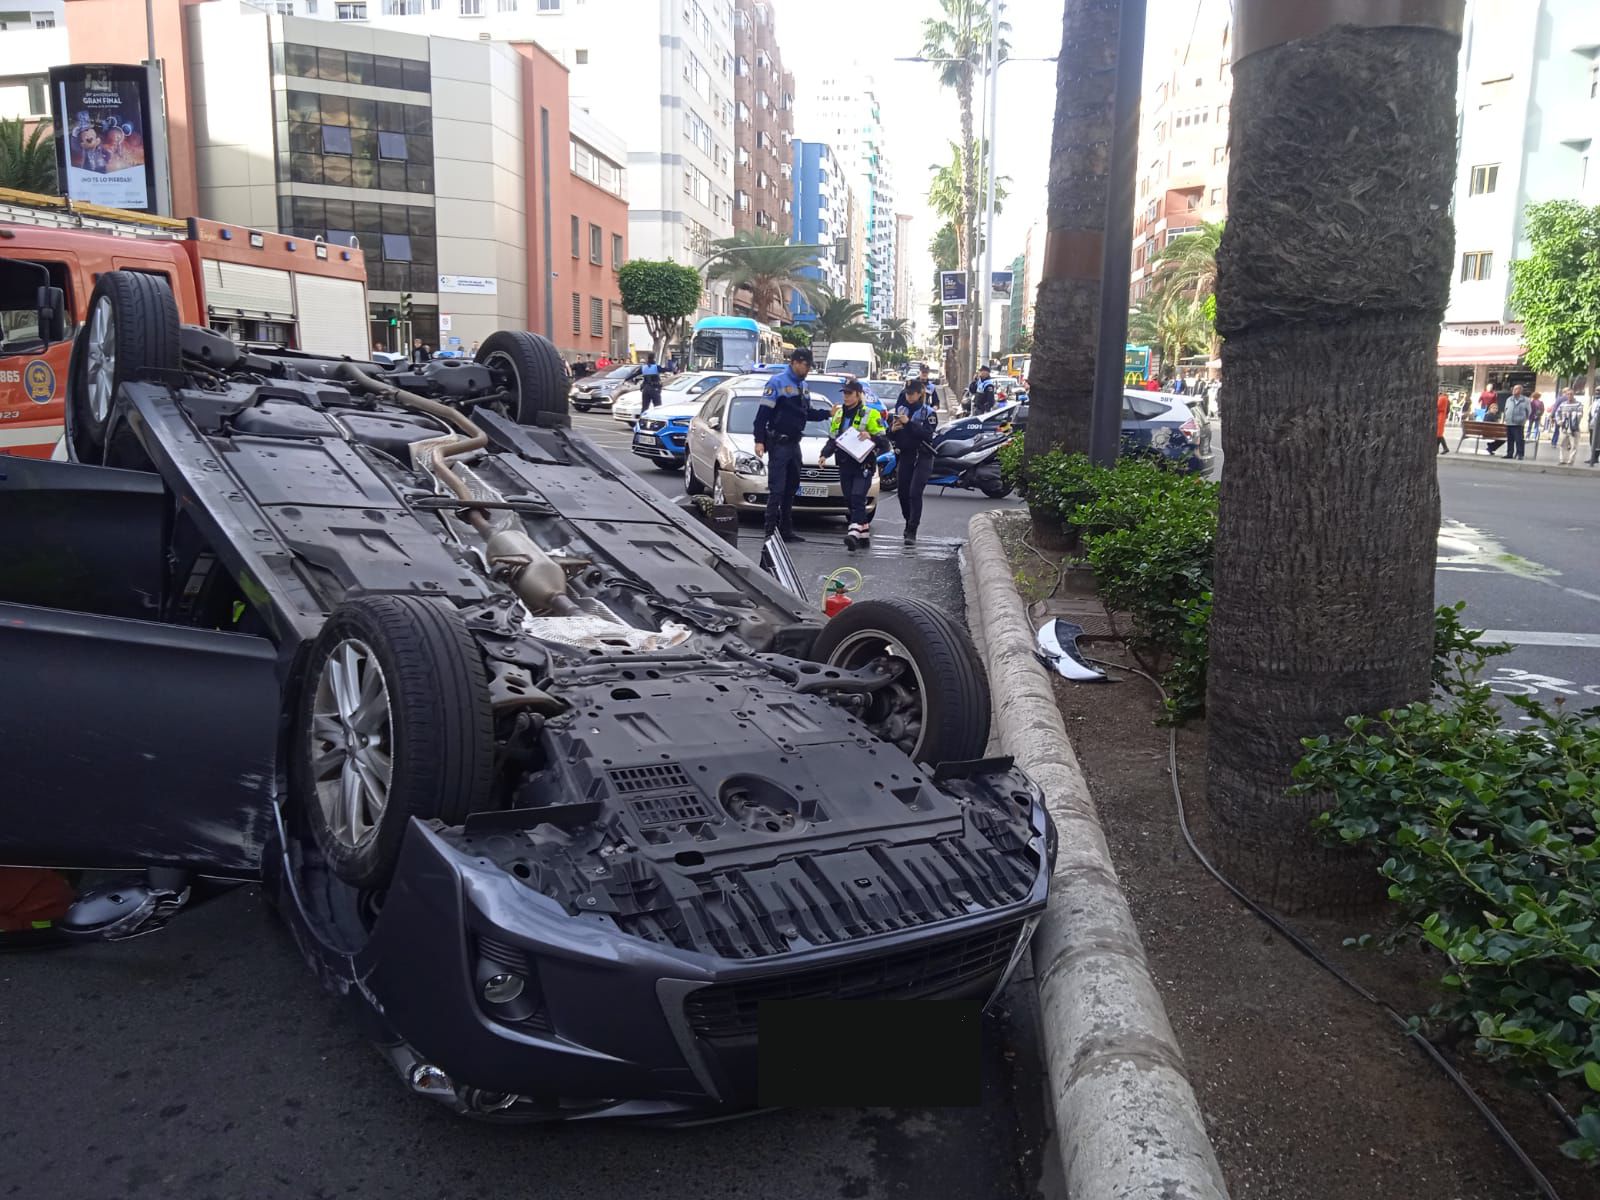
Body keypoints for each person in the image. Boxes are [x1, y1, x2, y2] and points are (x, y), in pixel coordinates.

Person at [753, 348, 819, 543]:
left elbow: (808, 413)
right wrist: (759, 440)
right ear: (796, 362)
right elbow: (762, 414)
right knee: (777, 489)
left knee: (792, 486)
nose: (807, 370)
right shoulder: (777, 382)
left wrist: (829, 414)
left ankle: (786, 529)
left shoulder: (803, 386)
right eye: (806, 365)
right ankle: (770, 532)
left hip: (794, 443)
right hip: (778, 443)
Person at [818, 379, 887, 551]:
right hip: (844, 463)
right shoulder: (840, 414)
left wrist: (870, 436)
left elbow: (884, 442)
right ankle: (863, 534)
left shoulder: (870, 414)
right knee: (850, 498)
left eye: (849, 393)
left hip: (863, 464)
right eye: (844, 393)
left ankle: (853, 533)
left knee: (857, 496)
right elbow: (833, 439)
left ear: (858, 394)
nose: (846, 397)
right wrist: (824, 454)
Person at [889, 377, 939, 544]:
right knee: (902, 493)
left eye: (912, 394)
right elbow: (891, 435)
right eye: (907, 393)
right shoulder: (901, 408)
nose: (909, 397)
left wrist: (909, 423)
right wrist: (893, 430)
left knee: (914, 493)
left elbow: (927, 435)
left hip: (923, 455)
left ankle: (912, 529)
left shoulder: (928, 413)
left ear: (920, 394)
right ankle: (908, 520)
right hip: (906, 455)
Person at [1499, 384, 1530, 459]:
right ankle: (1509, 453)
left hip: (1518, 423)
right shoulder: (1509, 399)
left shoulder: (1525, 400)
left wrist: (1524, 419)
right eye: (1513, 389)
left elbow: (1528, 411)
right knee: (1510, 439)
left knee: (1519, 439)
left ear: (1520, 391)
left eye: (1516, 389)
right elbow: (1506, 409)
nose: (1513, 390)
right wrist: (1504, 419)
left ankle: (1520, 454)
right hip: (1509, 422)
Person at [1552, 388, 1582, 466]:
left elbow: (1579, 415)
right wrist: (1559, 421)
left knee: (1574, 445)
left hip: (1574, 428)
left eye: (1571, 394)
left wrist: (1572, 416)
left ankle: (1570, 460)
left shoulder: (1578, 404)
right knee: (1562, 444)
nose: (1569, 396)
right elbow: (1557, 413)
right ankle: (1562, 460)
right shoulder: (1563, 404)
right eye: (1568, 394)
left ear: (1573, 395)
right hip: (1564, 428)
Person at [1436, 389, 1451, 454]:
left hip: (1440, 417)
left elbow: (1437, 407)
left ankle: (1445, 448)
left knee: (1439, 434)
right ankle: (1438, 449)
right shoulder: (1446, 399)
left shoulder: (1442, 398)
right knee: (1438, 434)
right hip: (1442, 417)